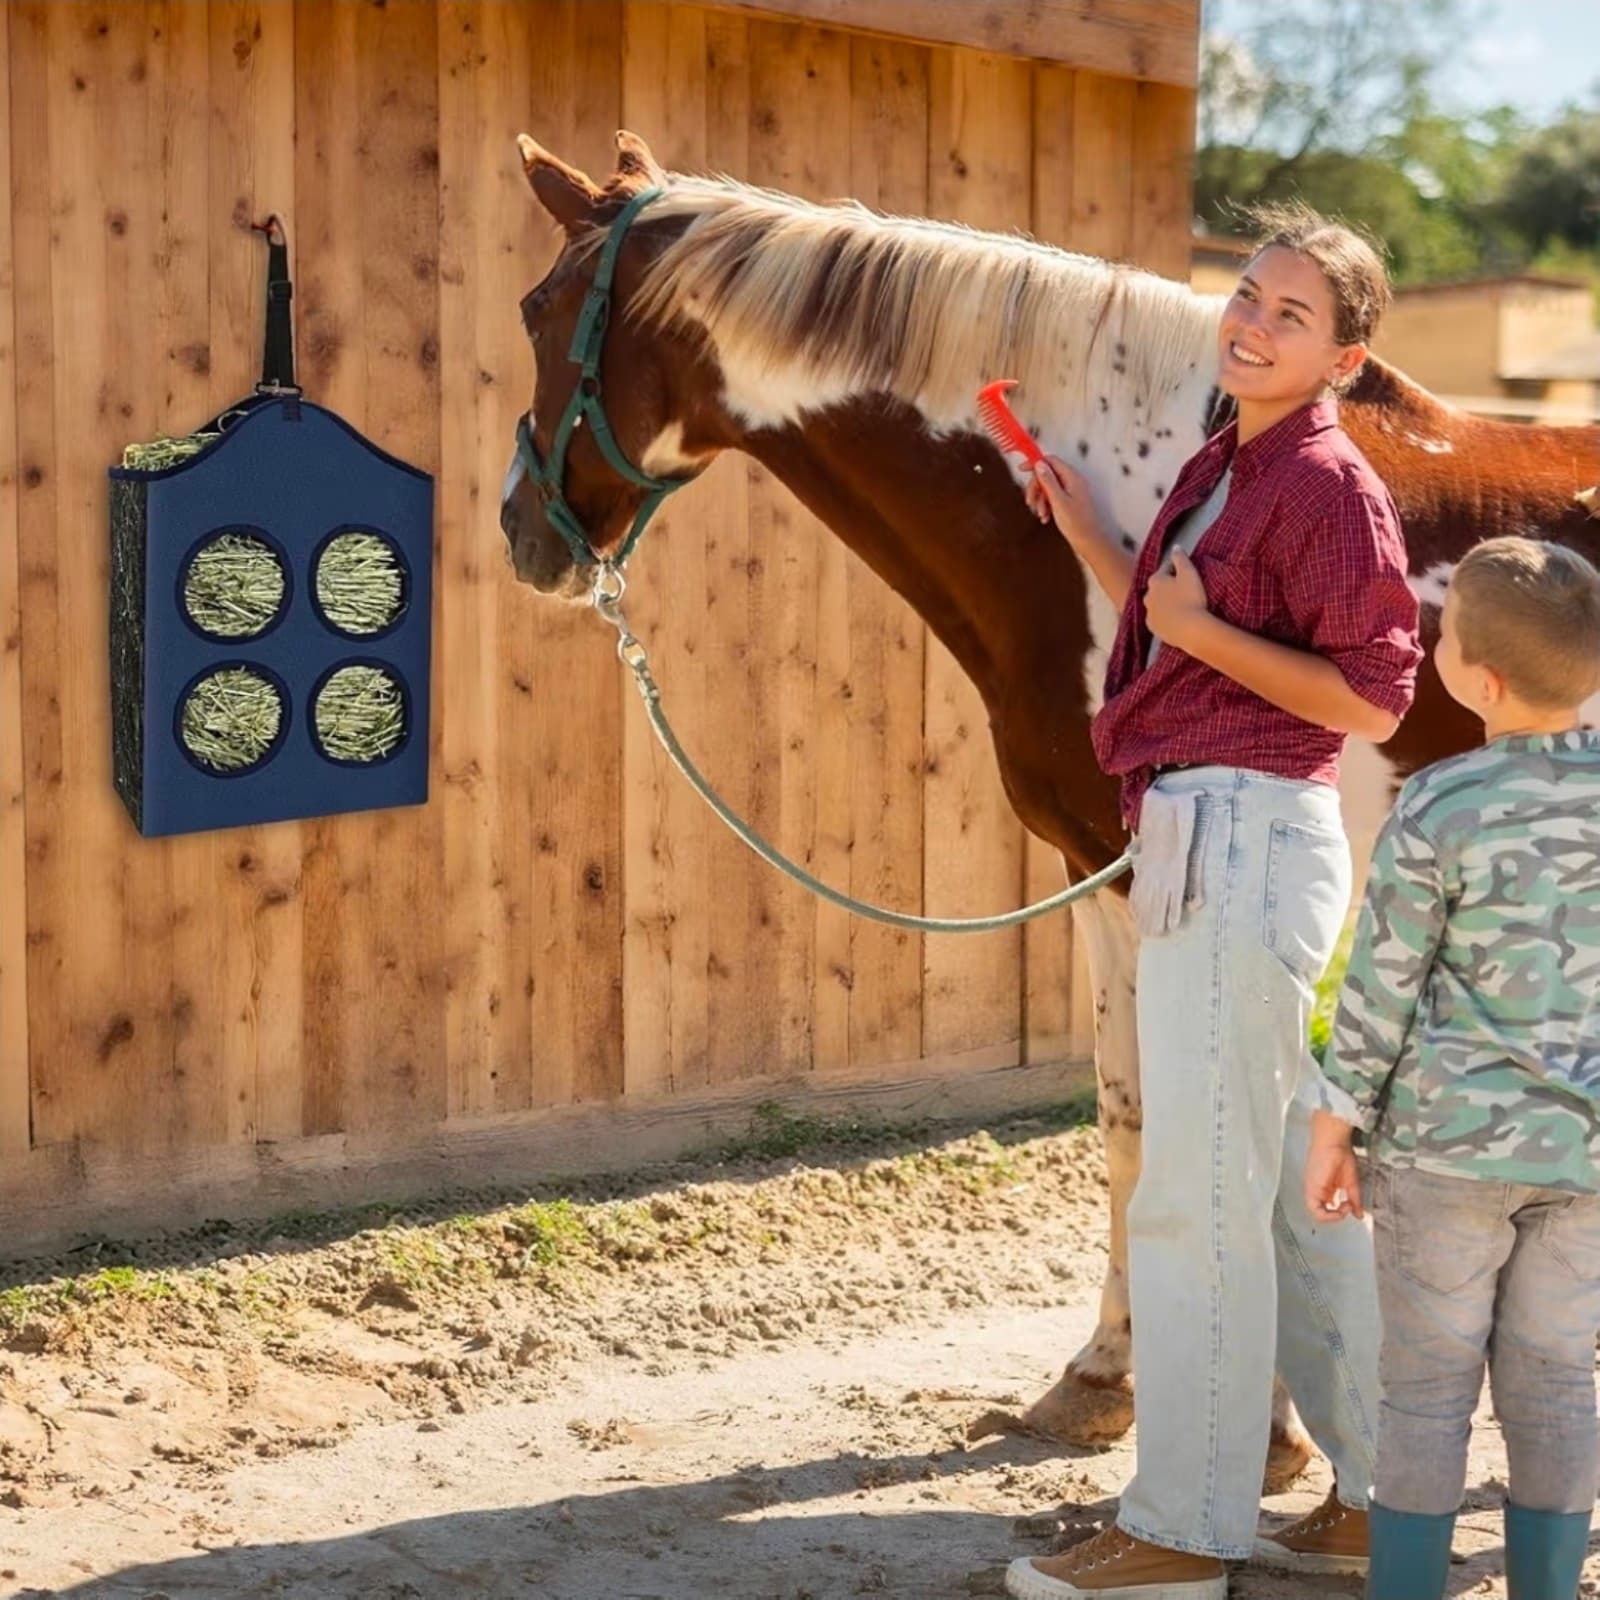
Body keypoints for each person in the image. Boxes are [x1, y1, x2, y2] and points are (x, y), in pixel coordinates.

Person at [1005, 203, 1423, 1600]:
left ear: (1345, 358)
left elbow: (1373, 692)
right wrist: (1088, 542)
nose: (1250, 323)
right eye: (1247, 294)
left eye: (1291, 315)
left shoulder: (1324, 485)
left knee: (1194, 1193)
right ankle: (1377, 1504)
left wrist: (1188, 629)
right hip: (1218, 829)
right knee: (1293, 1190)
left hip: (1241, 837)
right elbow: (1187, 641)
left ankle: (1183, 1530)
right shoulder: (1231, 460)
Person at [1305, 536, 1600, 1600]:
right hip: (1585, 1162)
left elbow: (1381, 985)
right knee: (1560, 1381)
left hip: (1443, 1156)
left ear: (1475, 678)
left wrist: (1336, 1121)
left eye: (1441, 637)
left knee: (1426, 1394)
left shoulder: (1437, 803)